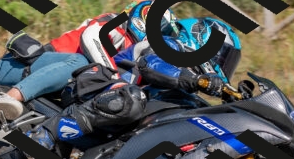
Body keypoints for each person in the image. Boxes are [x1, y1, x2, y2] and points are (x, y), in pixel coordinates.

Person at [26, 16, 243, 151]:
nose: (223, 65)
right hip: (96, 87)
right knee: (132, 99)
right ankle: (46, 133)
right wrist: (196, 80)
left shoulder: (186, 87)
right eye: (223, 56)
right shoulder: (168, 45)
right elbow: (153, 66)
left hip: (115, 122)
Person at [0, 0, 180, 122]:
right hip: (19, 67)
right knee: (83, 63)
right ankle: (9, 98)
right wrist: (115, 79)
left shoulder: (130, 51)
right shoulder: (115, 23)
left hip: (50, 77)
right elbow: (91, 38)